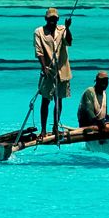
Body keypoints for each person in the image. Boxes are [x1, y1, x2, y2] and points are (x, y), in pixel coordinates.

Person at [32, 8, 73, 137]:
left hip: (62, 71)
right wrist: (44, 67)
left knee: (58, 101)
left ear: (57, 19)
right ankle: (43, 130)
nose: (52, 21)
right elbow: (39, 52)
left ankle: (55, 126)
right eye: (50, 19)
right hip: (49, 72)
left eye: (54, 19)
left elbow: (69, 42)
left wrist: (68, 28)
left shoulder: (62, 30)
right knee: (45, 101)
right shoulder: (39, 32)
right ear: (46, 19)